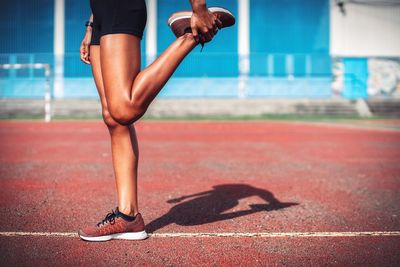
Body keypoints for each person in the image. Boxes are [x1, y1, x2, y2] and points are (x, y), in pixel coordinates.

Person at [78, 0, 234, 242]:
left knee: (124, 110)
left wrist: (199, 7)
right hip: (101, 13)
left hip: (120, 8)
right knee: (113, 118)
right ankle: (127, 217)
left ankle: (192, 35)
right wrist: (91, 25)